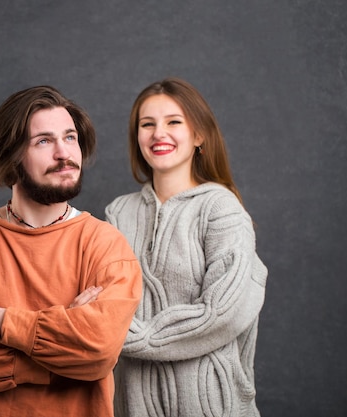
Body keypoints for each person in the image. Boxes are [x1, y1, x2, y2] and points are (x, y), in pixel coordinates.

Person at [0, 86, 142, 417]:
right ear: (11, 156)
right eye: (43, 141)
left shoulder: (106, 245)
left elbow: (98, 350)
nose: (64, 153)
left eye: (70, 137)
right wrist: (59, 351)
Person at [105, 77, 268, 417]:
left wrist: (131, 336)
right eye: (147, 124)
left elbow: (222, 314)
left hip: (213, 409)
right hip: (131, 408)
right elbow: (94, 300)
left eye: (173, 122)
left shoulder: (221, 210)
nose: (158, 133)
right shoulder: (117, 214)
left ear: (198, 135)